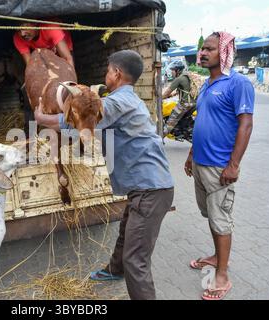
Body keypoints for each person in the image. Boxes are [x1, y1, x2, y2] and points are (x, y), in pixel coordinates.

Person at [34, 50, 175, 300]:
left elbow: (79, 118)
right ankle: (114, 270)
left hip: (150, 190)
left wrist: (40, 118)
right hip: (145, 186)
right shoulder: (127, 98)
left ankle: (128, 275)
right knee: (126, 231)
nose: (106, 75)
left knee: (136, 261)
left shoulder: (117, 103)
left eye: (108, 71)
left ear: (117, 74)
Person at [185, 32, 254, 300]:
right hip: (201, 163)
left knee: (221, 218)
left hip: (220, 167)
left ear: (224, 52)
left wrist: (234, 165)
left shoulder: (238, 84)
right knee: (211, 215)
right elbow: (203, 120)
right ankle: (216, 256)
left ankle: (222, 276)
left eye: (210, 49)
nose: (202, 53)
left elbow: (246, 124)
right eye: (202, 49)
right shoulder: (206, 85)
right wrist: (191, 154)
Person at [162, 60, 202, 135]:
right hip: (194, 104)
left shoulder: (178, 79)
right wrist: (171, 95)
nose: (171, 72)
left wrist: (160, 98)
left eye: (173, 70)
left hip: (185, 104)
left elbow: (167, 92)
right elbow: (182, 90)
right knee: (184, 118)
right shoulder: (187, 76)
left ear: (178, 70)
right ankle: (186, 130)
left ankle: (160, 138)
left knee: (171, 122)